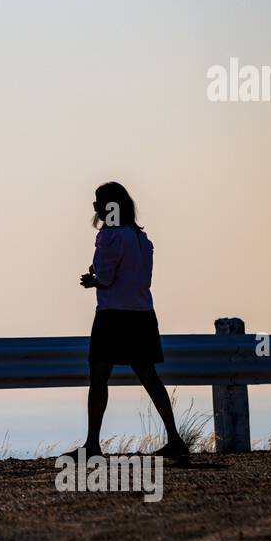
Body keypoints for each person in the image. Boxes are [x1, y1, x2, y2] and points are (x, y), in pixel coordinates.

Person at [76, 181, 187, 458]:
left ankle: (92, 445)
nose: (94, 206)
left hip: (113, 315)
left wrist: (93, 280)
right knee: (149, 376)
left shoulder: (109, 236)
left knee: (99, 377)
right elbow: (137, 275)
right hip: (142, 314)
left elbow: (107, 277)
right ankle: (174, 438)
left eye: (98, 201)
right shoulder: (141, 239)